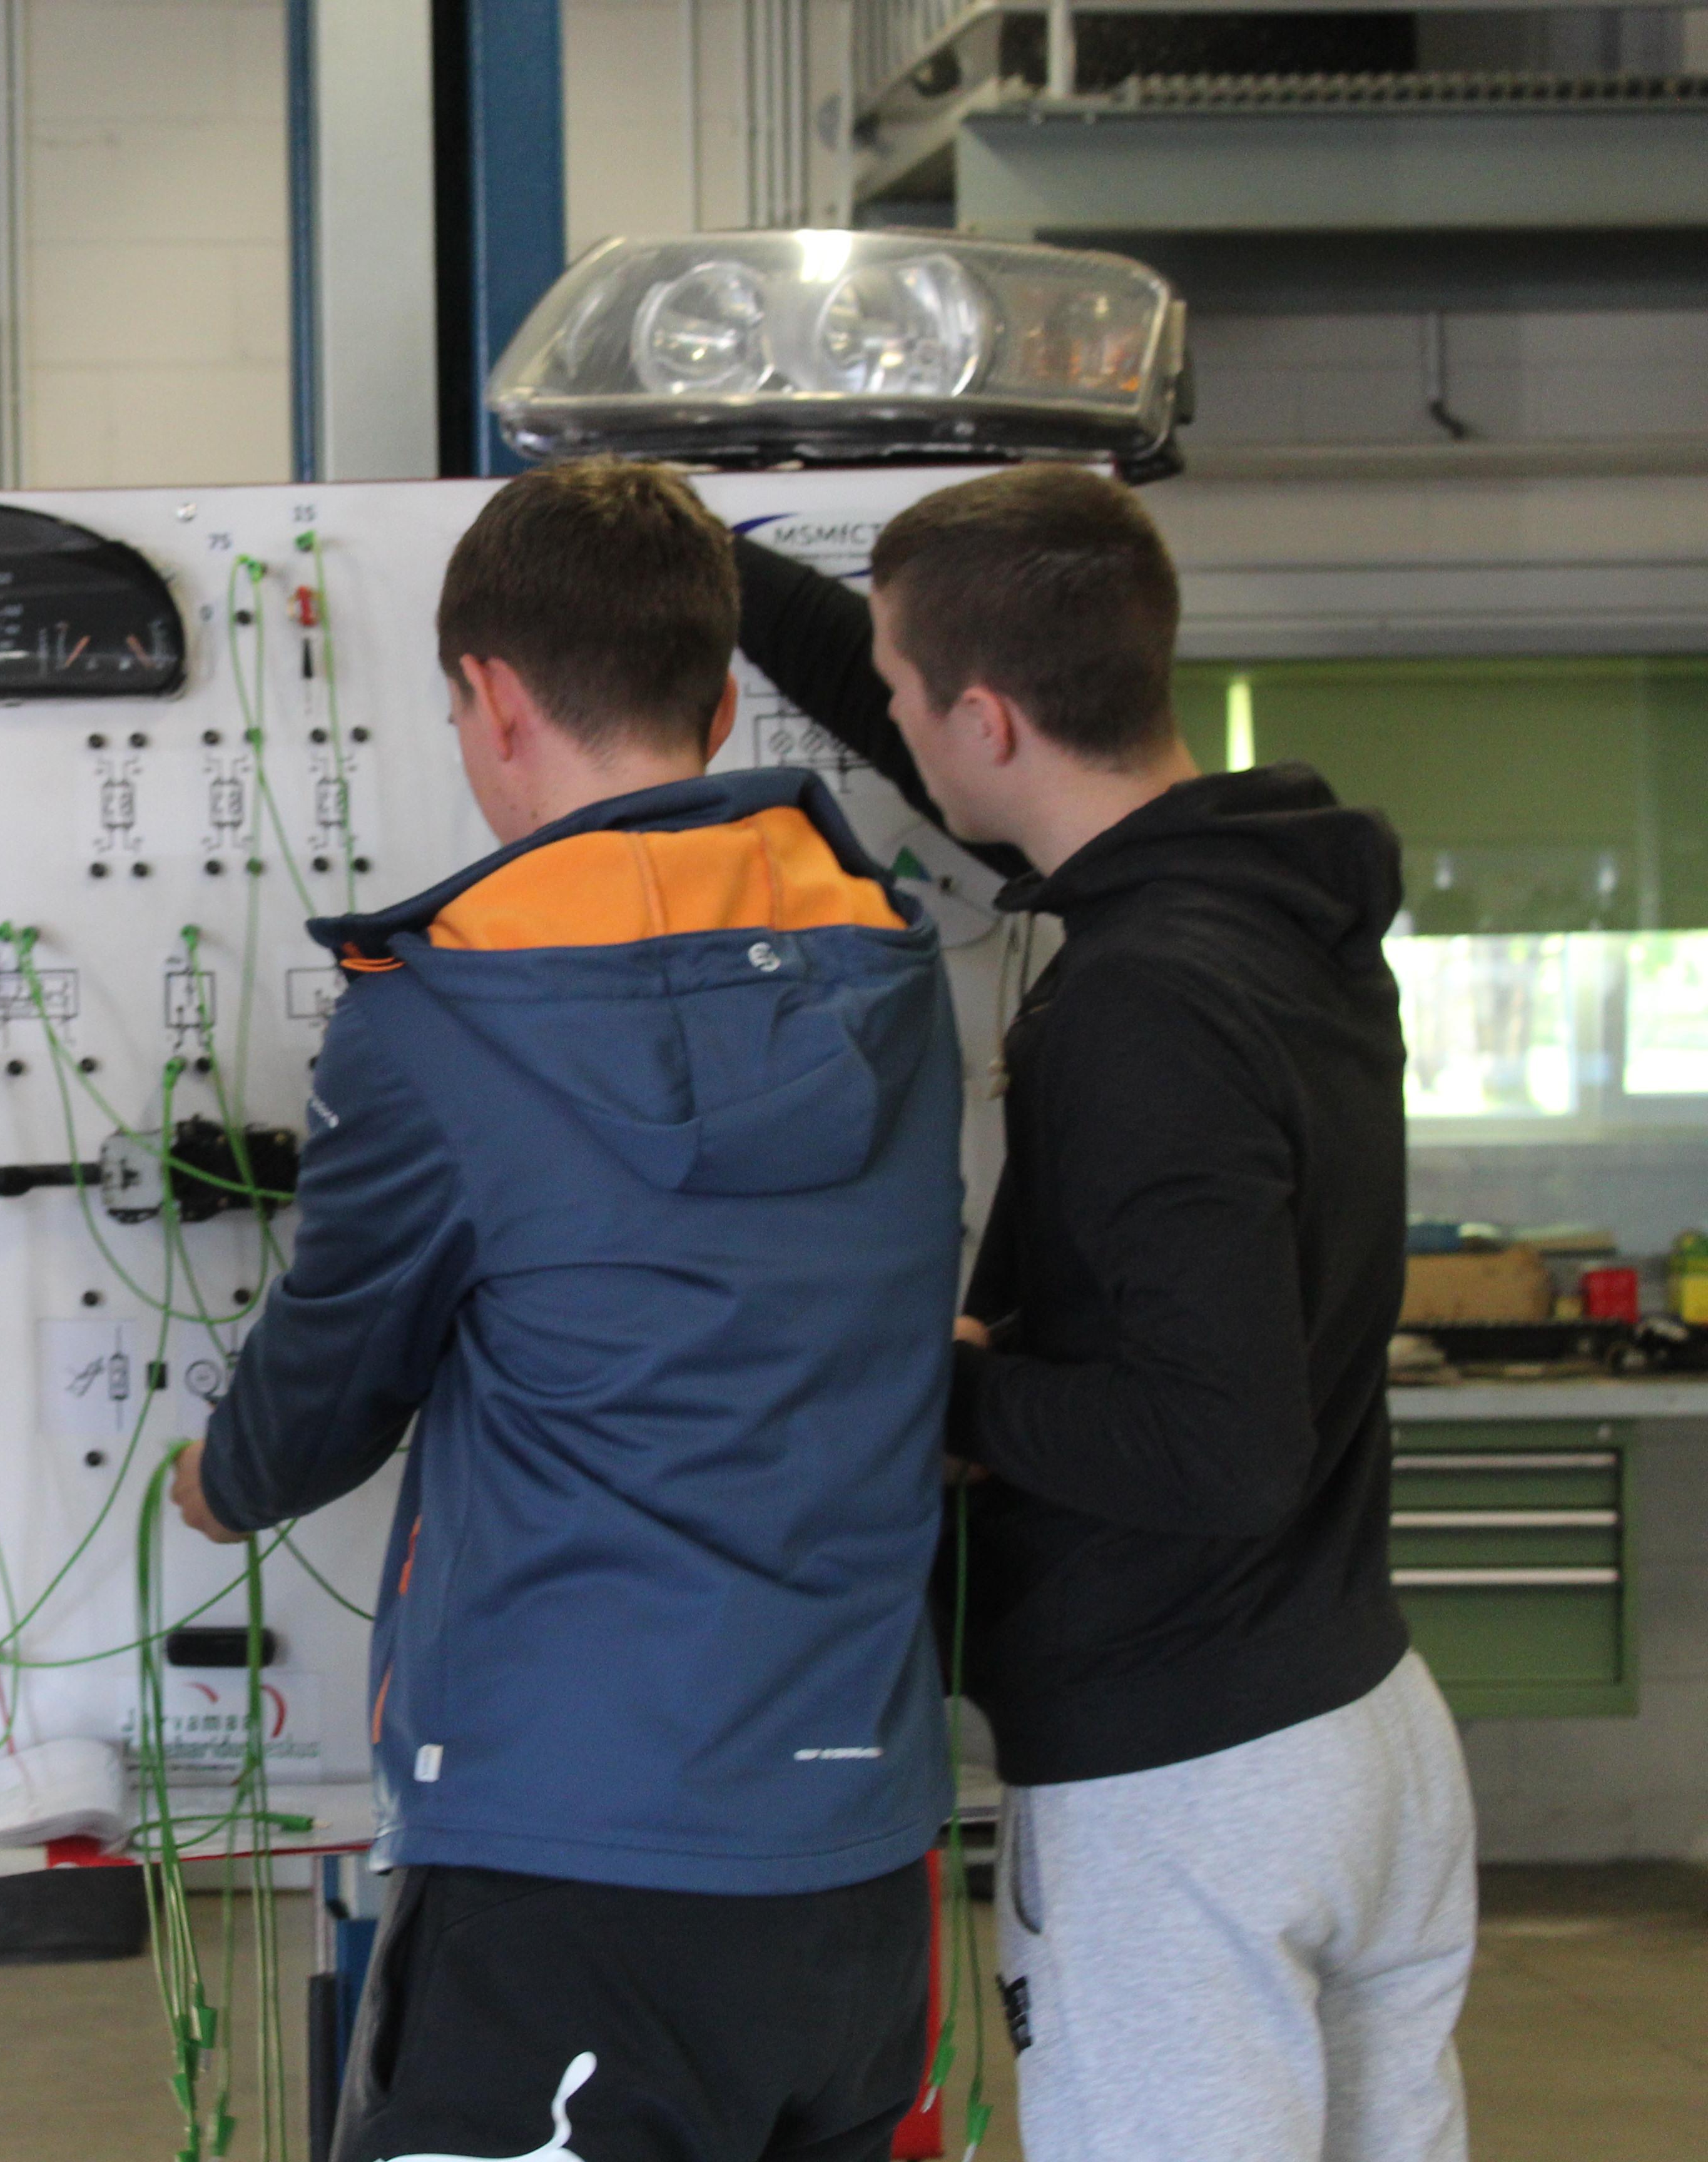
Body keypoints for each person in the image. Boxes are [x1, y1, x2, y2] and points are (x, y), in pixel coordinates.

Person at [171, 458, 962, 2162]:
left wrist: (220, 1481)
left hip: (569, 1851)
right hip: (858, 1859)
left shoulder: (441, 1017)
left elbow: (332, 1379)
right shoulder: (892, 976)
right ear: (723, 698)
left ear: (495, 695)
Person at [732, 464, 1475, 2162]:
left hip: (1191, 1785)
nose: (891, 723)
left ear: (987, 722)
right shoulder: (1279, 907)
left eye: (909, 697)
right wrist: (693, 558)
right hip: (1359, 1729)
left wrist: (945, 1389)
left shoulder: (1144, 1002)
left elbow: (1216, 1449)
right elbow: (928, 688)